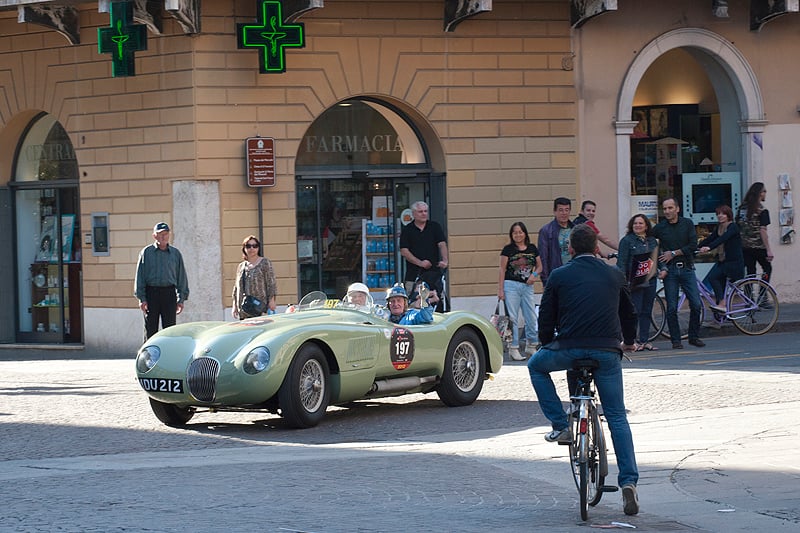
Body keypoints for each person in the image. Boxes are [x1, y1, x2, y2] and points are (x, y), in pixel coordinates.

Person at [527, 224, 640, 516]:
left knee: (535, 367)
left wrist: (546, 343)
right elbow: (628, 312)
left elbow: (546, 315)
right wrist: (629, 342)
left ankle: (561, 425)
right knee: (616, 415)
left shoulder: (559, 275)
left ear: (571, 249)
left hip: (569, 348)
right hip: (606, 351)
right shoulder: (615, 274)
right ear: (596, 249)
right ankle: (628, 483)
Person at [652, 198, 705, 349]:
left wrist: (673, 253)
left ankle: (693, 336)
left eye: (670, 208)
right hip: (670, 271)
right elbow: (650, 242)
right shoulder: (660, 228)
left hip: (687, 268)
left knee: (696, 304)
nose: (667, 211)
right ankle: (676, 340)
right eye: (665, 208)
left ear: (677, 209)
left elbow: (693, 245)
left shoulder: (687, 223)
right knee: (672, 307)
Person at [134, 222, 190, 340]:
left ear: (169, 235)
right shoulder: (146, 253)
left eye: (165, 234)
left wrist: (181, 299)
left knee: (170, 331)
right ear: (154, 236)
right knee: (150, 329)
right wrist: (142, 299)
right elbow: (140, 276)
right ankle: (149, 357)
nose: (163, 237)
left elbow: (181, 277)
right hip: (151, 294)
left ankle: (169, 356)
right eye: (160, 234)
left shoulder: (175, 254)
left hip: (169, 294)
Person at [498, 221, 542, 361]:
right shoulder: (508, 250)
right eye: (515, 232)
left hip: (527, 286)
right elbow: (502, 269)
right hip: (511, 285)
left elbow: (540, 266)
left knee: (530, 316)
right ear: (512, 235)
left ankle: (531, 345)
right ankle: (513, 347)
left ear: (525, 233)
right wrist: (500, 290)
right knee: (513, 318)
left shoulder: (532, 248)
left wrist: (534, 276)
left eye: (520, 232)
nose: (518, 235)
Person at [617, 214, 660, 351]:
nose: (638, 225)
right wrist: (622, 280)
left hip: (650, 280)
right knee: (634, 311)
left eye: (641, 223)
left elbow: (658, 258)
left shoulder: (653, 241)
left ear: (646, 226)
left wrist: (663, 270)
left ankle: (644, 341)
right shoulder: (626, 241)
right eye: (635, 223)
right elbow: (622, 263)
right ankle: (631, 340)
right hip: (634, 281)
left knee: (647, 310)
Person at [399, 201, 448, 311]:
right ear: (414, 214)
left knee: (436, 301)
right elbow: (404, 251)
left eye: (425, 211)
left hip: (433, 274)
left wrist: (445, 260)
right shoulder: (407, 230)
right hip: (414, 274)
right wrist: (420, 263)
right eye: (420, 211)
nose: (424, 214)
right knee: (414, 302)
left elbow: (442, 244)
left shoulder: (434, 227)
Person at [698, 205, 744, 313]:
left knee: (713, 278)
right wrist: (695, 247)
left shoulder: (733, 227)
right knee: (719, 289)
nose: (720, 216)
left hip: (733, 263)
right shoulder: (719, 227)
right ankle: (718, 318)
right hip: (723, 262)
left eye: (722, 213)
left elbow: (723, 238)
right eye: (718, 214)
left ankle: (723, 304)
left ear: (728, 215)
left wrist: (709, 247)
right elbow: (710, 238)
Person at [232, 235, 277, 320]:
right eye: (248, 246)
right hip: (244, 308)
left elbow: (271, 283)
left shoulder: (264, 263)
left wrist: (272, 300)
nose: (251, 248)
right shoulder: (241, 266)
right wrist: (234, 305)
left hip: (260, 307)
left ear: (258, 248)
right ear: (244, 249)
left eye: (254, 246)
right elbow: (236, 287)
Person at [737, 182, 773, 281]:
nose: (765, 193)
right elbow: (763, 230)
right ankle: (763, 293)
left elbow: (738, 225)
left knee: (750, 271)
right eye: (764, 191)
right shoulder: (762, 210)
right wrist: (768, 249)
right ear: (759, 193)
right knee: (767, 268)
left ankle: (748, 294)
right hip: (758, 246)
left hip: (745, 246)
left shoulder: (742, 208)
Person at [538, 197, 574, 285]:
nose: (564, 213)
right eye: (561, 210)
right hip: (556, 276)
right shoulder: (546, 231)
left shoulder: (576, 229)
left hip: (574, 274)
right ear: (554, 211)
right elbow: (543, 257)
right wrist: (545, 281)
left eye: (567, 210)